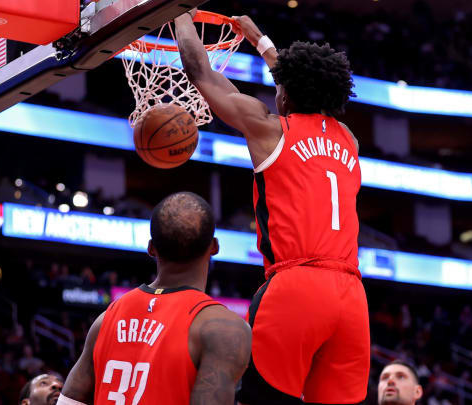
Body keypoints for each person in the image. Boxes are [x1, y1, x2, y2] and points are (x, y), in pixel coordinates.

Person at [175, 11, 369, 404]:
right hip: (352, 298)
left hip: (296, 287)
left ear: (286, 93)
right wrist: (262, 43)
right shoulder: (348, 139)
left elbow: (200, 72)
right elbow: (305, 88)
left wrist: (176, 12)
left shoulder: (269, 128)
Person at [59, 192, 251, 405]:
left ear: (151, 248)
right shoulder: (223, 328)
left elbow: (68, 402)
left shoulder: (105, 320)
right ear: (214, 246)